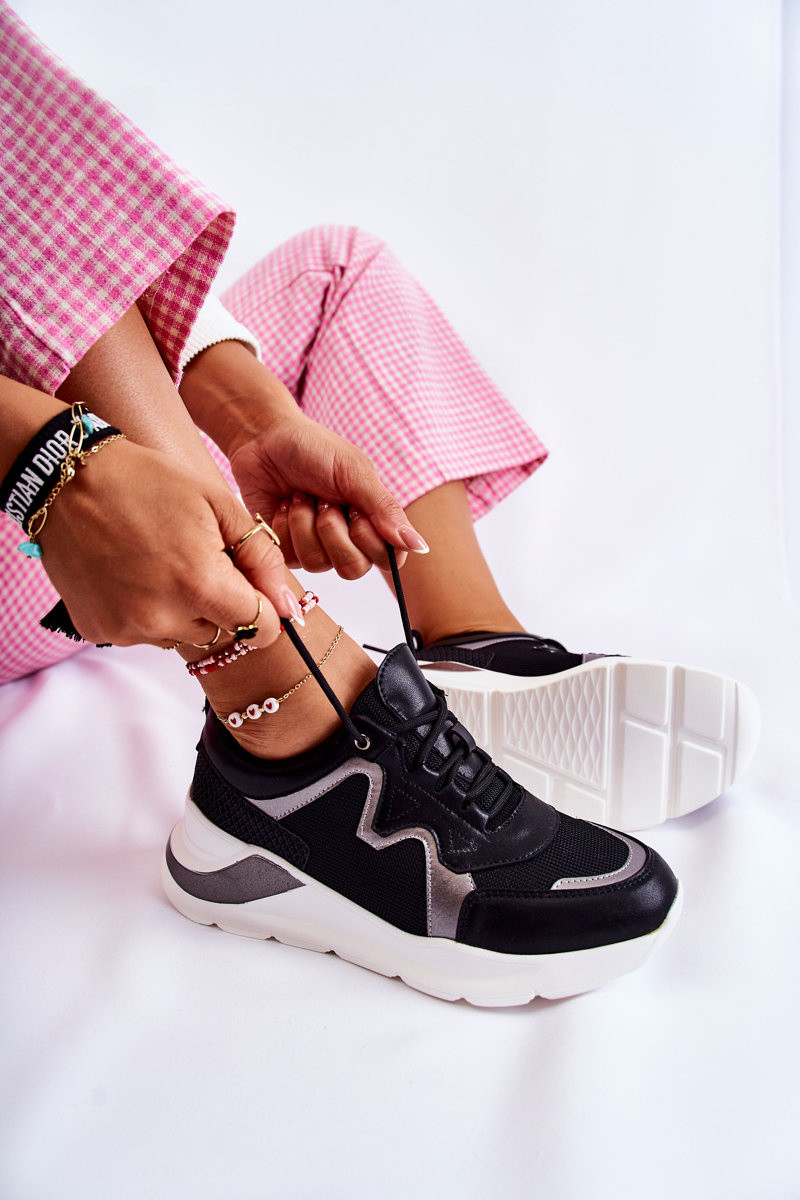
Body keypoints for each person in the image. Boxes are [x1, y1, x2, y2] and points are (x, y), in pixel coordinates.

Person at [1, 2, 753, 1005]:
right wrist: (50, 460)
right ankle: (287, 706)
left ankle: (466, 646)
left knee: (336, 265)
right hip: (41, 511)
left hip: (71, 492)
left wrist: (251, 420)